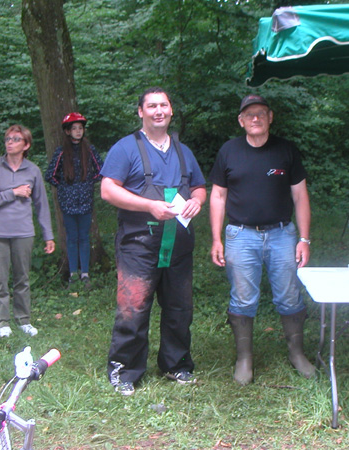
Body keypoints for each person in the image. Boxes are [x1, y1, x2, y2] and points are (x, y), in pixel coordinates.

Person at [100, 87, 206, 396]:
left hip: (179, 246)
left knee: (179, 308)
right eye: (151, 106)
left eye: (164, 105)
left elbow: (199, 188)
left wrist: (197, 202)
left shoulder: (183, 151)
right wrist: (149, 206)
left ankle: (176, 364)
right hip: (139, 245)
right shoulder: (125, 148)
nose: (158, 110)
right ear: (141, 112)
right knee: (133, 307)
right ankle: (124, 370)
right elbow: (108, 190)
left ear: (171, 111)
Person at [209, 94, 315, 386]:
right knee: (242, 298)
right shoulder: (229, 151)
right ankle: (245, 359)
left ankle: (297, 354)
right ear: (241, 120)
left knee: (290, 295)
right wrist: (216, 238)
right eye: (249, 114)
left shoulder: (286, 150)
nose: (255, 119)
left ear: (270, 117)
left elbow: (300, 195)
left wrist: (304, 238)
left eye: (261, 113)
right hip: (240, 235)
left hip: (282, 234)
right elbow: (218, 196)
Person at [0, 125, 55, 338]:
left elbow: (42, 205)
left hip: (23, 232)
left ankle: (23, 320)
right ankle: (2, 323)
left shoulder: (33, 170)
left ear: (26, 145)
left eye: (16, 139)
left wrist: (48, 235)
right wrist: (13, 193)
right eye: (7, 138)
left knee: (22, 279)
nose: (10, 142)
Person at [45, 113, 103, 289]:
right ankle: (72, 274)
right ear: (68, 131)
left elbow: (101, 170)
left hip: (85, 200)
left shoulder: (89, 149)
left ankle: (85, 274)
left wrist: (87, 184)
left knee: (84, 237)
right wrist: (64, 187)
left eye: (80, 128)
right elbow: (50, 175)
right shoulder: (61, 151)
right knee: (72, 238)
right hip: (68, 202)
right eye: (74, 129)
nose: (78, 132)